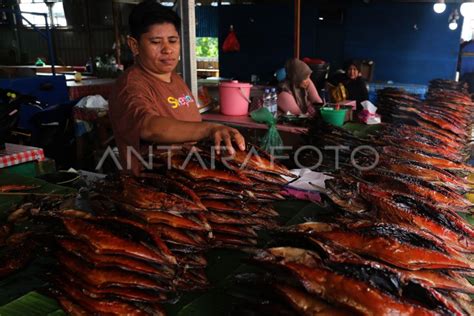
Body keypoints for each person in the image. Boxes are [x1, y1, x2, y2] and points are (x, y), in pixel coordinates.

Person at [109, 0, 245, 175]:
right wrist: (209, 129)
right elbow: (148, 127)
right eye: (156, 42)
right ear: (134, 45)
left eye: (173, 40)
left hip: (189, 178)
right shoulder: (131, 86)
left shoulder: (176, 79)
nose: (167, 49)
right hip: (153, 189)